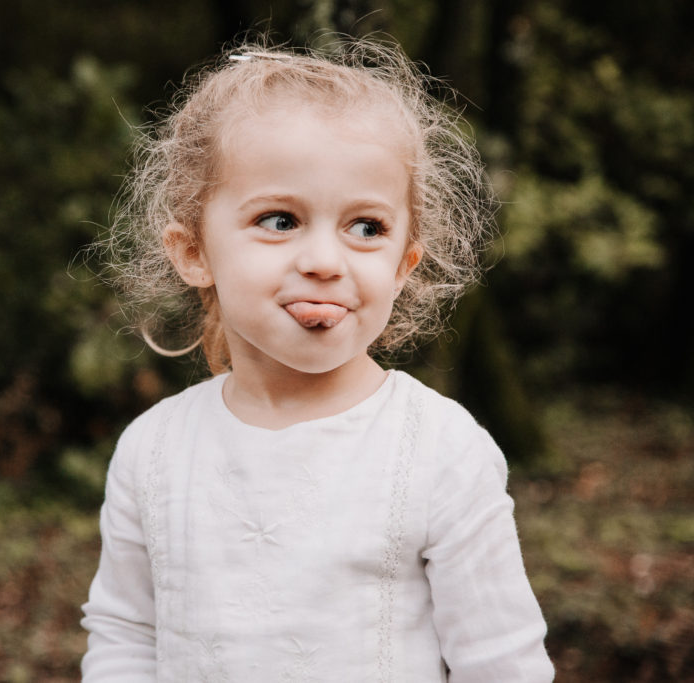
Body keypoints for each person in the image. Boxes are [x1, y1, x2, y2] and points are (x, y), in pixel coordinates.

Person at [81, 36, 554, 682]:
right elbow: (126, 639)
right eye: (280, 220)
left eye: (366, 228)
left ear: (403, 264)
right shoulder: (154, 450)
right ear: (194, 252)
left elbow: (503, 664)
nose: (326, 262)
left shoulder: (439, 450)